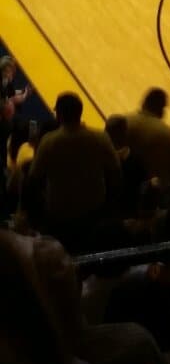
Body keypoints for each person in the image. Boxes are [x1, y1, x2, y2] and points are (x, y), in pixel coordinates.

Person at [26, 91, 122, 250]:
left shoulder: (49, 142)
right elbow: (116, 174)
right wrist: (109, 206)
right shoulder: (99, 137)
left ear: (59, 115)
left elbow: (33, 180)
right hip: (94, 210)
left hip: (59, 213)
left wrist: (40, 213)